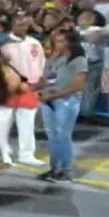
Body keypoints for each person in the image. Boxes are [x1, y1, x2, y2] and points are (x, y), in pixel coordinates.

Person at [38, 29, 88, 182]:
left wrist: (53, 95)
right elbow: (47, 79)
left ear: (70, 42)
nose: (57, 44)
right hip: (49, 99)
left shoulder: (79, 60)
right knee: (52, 136)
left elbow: (78, 86)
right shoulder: (54, 59)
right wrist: (36, 89)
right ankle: (54, 168)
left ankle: (66, 170)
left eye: (61, 41)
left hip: (66, 101)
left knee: (63, 136)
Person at [0, 14, 46, 166]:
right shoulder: (1, 43)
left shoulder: (35, 43)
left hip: (30, 87)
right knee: (4, 122)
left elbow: (41, 63)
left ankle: (26, 154)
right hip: (8, 88)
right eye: (18, 24)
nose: (22, 27)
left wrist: (38, 82)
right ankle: (5, 153)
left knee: (27, 122)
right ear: (12, 25)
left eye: (25, 25)